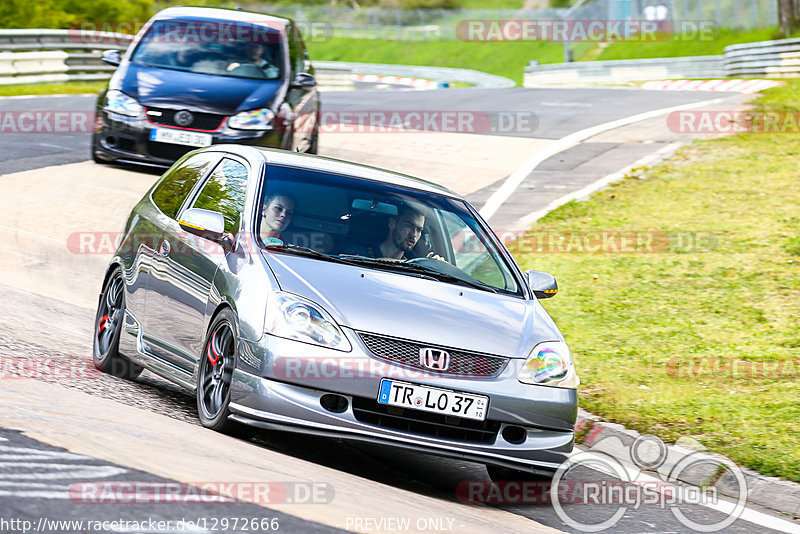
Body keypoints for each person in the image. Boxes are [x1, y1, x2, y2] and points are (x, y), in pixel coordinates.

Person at [350, 203, 444, 261]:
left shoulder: (413, 268)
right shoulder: (359, 253)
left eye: (419, 230)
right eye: (408, 226)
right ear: (392, 223)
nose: (414, 234)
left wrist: (432, 265)